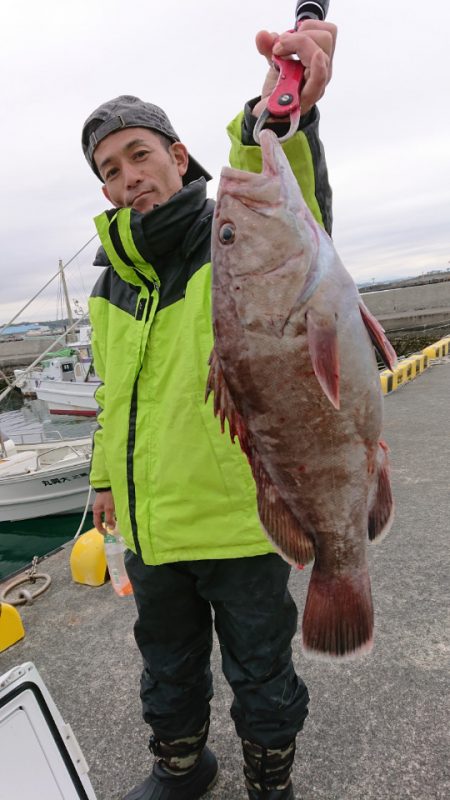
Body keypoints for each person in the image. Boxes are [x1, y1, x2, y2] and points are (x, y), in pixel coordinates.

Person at [81, 19, 337, 800]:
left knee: (261, 668)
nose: (130, 177)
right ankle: (183, 769)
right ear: (104, 188)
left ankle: (271, 781)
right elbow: (111, 398)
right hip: (151, 532)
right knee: (166, 664)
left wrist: (281, 116)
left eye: (141, 154)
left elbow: (278, 177)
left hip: (239, 521)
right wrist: (103, 482)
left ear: (179, 157)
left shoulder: (234, 238)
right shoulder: (108, 287)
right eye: (111, 168)